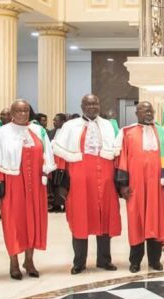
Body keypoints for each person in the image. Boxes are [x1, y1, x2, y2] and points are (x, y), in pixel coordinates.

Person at [0, 100, 56, 280]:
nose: (22, 114)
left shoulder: (38, 131)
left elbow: (48, 154)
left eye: (25, 110)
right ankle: (14, 262)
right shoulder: (1, 133)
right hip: (12, 183)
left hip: (36, 185)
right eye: (18, 110)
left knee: (34, 221)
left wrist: (46, 174)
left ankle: (29, 261)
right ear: (11, 113)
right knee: (13, 222)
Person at [52, 94, 122, 274]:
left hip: (105, 177)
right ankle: (79, 262)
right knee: (80, 217)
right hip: (79, 177)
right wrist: (61, 184)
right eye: (88, 104)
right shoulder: (69, 126)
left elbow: (117, 153)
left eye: (95, 104)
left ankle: (104, 260)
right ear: (82, 106)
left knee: (104, 216)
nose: (92, 107)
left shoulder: (108, 125)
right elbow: (61, 155)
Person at [115, 102, 164, 273]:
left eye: (151, 111)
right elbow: (122, 159)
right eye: (145, 110)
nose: (149, 113)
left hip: (158, 186)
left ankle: (155, 260)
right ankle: (135, 261)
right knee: (137, 222)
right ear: (137, 113)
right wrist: (123, 185)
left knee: (156, 221)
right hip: (136, 186)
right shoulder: (127, 133)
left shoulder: (163, 133)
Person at [47, 113, 67, 212]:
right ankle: (56, 204)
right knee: (54, 184)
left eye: (56, 120)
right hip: (53, 162)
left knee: (63, 185)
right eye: (54, 120)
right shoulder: (51, 132)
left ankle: (66, 204)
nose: (54, 122)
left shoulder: (68, 133)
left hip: (65, 163)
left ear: (63, 122)